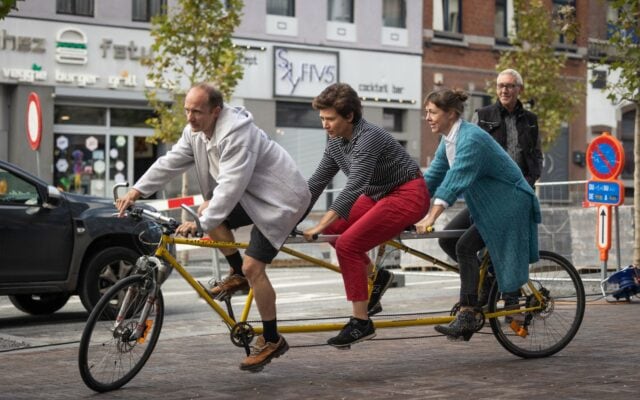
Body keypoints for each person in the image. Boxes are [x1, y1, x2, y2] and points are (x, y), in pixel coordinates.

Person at [115, 82, 311, 371]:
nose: (190, 117)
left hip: (282, 201)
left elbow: (231, 186)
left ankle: (271, 339)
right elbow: (169, 162)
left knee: (253, 267)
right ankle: (236, 273)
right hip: (252, 196)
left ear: (216, 111)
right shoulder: (194, 132)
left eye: (197, 111)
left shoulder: (237, 135)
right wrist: (137, 190)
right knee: (210, 211)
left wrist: (199, 223)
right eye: (187, 110)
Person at [303, 83, 429, 348]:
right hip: (376, 195)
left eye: (330, 119)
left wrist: (318, 224)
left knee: (348, 245)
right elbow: (316, 183)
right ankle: (376, 278)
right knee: (333, 232)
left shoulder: (368, 137)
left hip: (407, 193)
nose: (324, 124)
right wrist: (291, 218)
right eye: (322, 119)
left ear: (349, 116)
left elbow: (353, 187)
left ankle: (361, 323)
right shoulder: (336, 142)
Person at [415, 88, 540, 341]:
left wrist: (431, 217)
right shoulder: (449, 139)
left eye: (432, 112)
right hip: (486, 203)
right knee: (447, 240)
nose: (427, 117)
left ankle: (469, 312)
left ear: (450, 114)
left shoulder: (470, 139)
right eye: (426, 112)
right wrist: (406, 208)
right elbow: (432, 178)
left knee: (463, 247)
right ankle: (490, 284)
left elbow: (454, 180)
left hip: (509, 202)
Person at [439, 69, 542, 305]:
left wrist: (522, 189)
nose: (504, 90)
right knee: (448, 239)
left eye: (510, 86)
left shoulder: (530, 120)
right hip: (486, 195)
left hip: (514, 196)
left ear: (520, 90)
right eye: (500, 86)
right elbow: (468, 153)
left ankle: (508, 301)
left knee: (500, 246)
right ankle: (483, 285)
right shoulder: (482, 115)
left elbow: (536, 158)